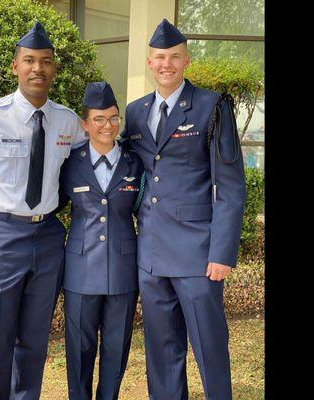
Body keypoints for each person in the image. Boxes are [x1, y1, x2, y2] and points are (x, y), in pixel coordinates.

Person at [121, 19, 246, 400]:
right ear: (149, 61)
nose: (166, 64)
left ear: (187, 60)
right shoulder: (136, 111)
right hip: (152, 253)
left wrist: (221, 253)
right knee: (161, 351)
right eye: (160, 57)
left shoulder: (212, 105)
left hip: (197, 253)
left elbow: (230, 187)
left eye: (174, 57)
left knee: (208, 347)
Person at [0, 22, 86, 400]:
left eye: (45, 62)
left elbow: (94, 159)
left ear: (54, 69)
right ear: (15, 67)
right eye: (29, 61)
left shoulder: (67, 121)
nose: (38, 69)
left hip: (48, 237)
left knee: (35, 342)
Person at [58, 81, 144, 400]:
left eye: (113, 118)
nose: (107, 126)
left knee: (115, 350)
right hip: (81, 271)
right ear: (85, 123)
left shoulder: (135, 163)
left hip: (123, 270)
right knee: (79, 352)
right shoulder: (70, 163)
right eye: (99, 119)